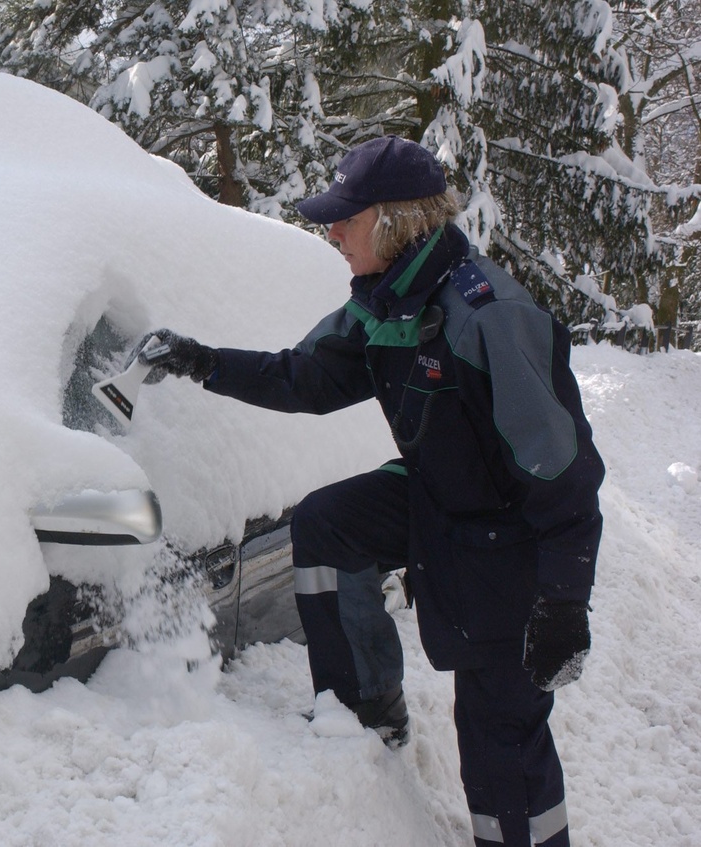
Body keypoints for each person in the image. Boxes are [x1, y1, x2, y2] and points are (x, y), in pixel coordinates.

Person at [139, 135, 604, 847]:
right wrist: (204, 362)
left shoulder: (486, 317)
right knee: (328, 525)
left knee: (499, 744)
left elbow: (563, 471)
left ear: (390, 221)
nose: (332, 234)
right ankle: (364, 704)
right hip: (440, 499)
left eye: (344, 220)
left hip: (509, 537)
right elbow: (305, 377)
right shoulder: (387, 303)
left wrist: (565, 598)